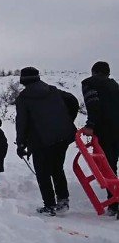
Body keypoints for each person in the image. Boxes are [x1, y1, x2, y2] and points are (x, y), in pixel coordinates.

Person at [16, 67, 77, 216]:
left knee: (42, 173)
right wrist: (68, 120)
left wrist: (21, 143)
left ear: (23, 80)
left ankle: (49, 205)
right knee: (57, 168)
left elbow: (22, 122)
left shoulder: (23, 97)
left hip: (40, 140)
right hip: (62, 136)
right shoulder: (53, 90)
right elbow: (73, 101)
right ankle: (63, 200)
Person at [81, 61, 119, 218]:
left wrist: (90, 125)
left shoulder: (89, 83)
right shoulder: (115, 86)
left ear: (93, 72)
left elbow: (93, 105)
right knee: (112, 165)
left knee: (108, 167)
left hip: (104, 130)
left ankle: (114, 203)